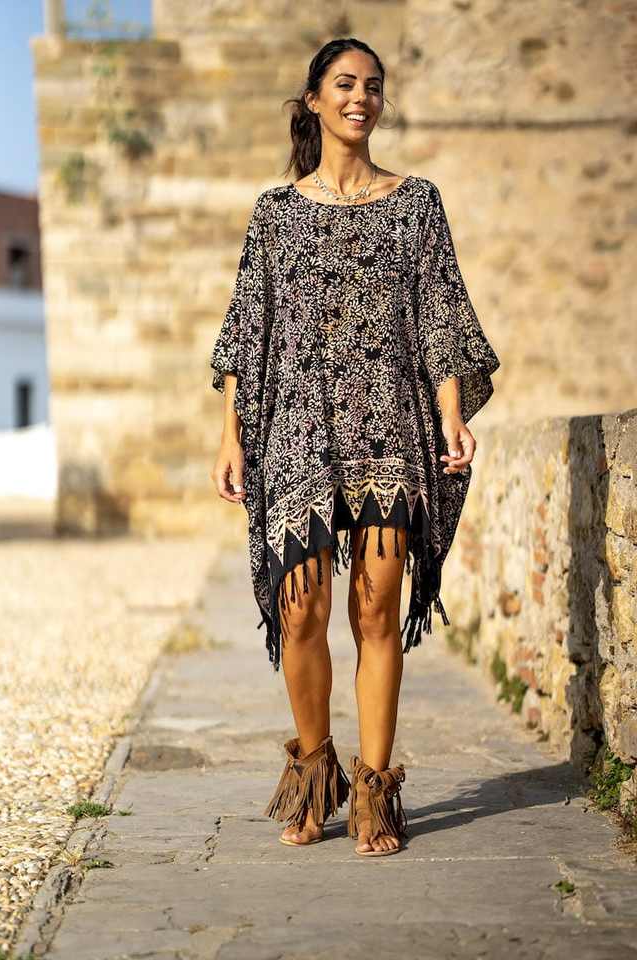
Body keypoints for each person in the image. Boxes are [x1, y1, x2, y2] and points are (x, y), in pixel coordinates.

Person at [210, 37, 500, 857]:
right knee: (301, 612)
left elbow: (441, 314)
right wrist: (231, 434)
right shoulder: (276, 212)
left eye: (373, 86)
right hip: (298, 431)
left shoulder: (418, 203)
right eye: (344, 84)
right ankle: (314, 775)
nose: (360, 98)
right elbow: (247, 329)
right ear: (314, 99)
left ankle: (374, 793)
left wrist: (451, 414)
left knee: (377, 608)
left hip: (390, 430)